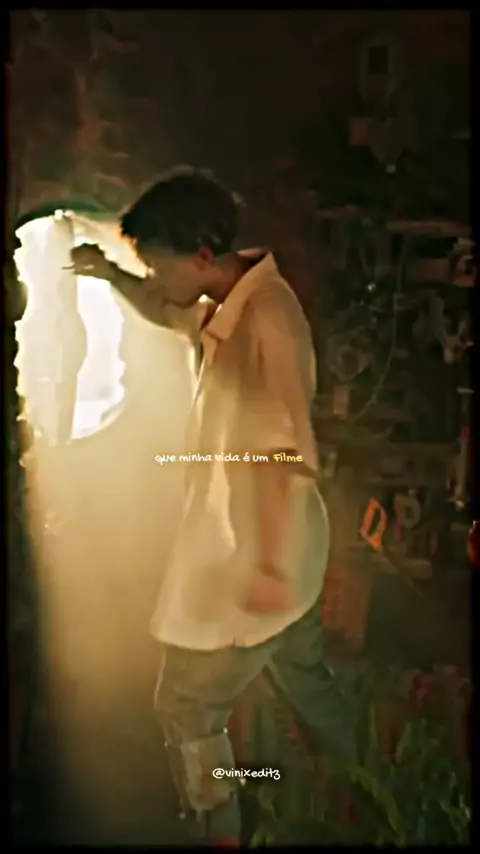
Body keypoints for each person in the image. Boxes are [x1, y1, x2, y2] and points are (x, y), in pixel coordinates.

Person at [71, 166, 357, 847]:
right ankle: (377, 794)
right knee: (308, 686)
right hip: (273, 556)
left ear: (201, 255)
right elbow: (170, 310)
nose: (154, 278)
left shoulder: (270, 320)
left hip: (264, 556)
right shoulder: (227, 299)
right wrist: (111, 277)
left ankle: (221, 833)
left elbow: (287, 458)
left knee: (186, 706)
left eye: (157, 265)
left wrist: (268, 567)